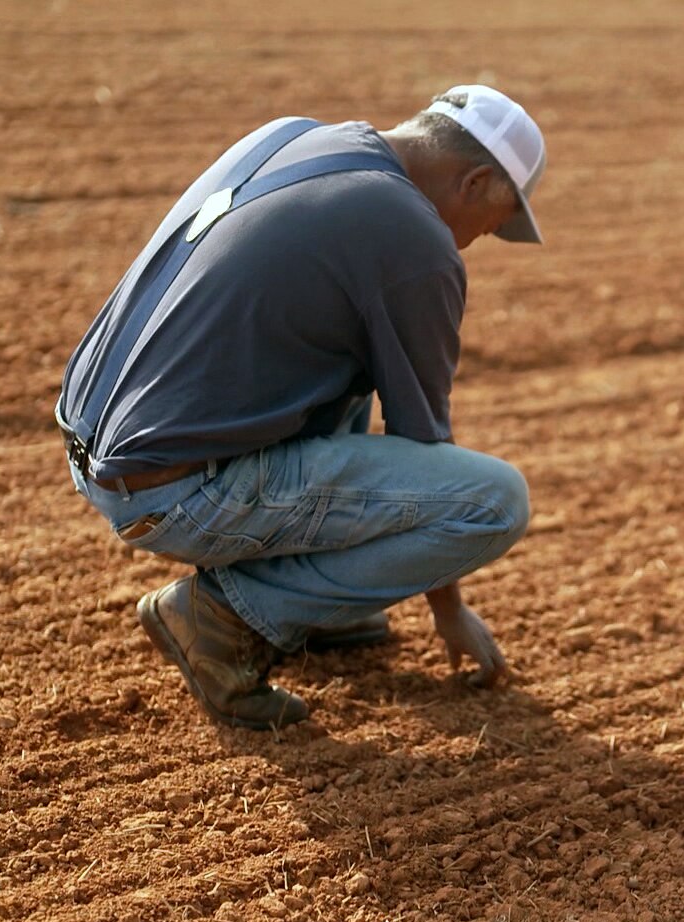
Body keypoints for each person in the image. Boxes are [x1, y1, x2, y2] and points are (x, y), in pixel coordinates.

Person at [55, 85, 546, 730]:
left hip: (97, 445)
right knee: (495, 502)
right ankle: (227, 618)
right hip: (177, 491)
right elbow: (423, 441)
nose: (472, 244)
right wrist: (447, 608)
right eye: (486, 227)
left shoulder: (293, 136)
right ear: (476, 181)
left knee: (354, 361)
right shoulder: (414, 239)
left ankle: (314, 604)